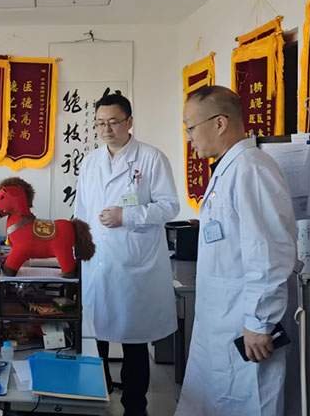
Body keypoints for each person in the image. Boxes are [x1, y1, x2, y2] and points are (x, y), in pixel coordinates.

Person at [175, 86, 297, 416]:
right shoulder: (229, 169)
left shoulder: (251, 169)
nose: (189, 137)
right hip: (222, 318)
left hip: (246, 325)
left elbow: (268, 253)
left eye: (190, 127)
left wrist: (260, 321)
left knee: (249, 399)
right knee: (216, 398)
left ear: (220, 123)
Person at [74, 93, 179, 416]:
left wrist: (127, 216)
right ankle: (98, 395)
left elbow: (169, 206)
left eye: (113, 122)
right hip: (97, 262)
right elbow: (80, 211)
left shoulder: (151, 158)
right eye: (100, 123)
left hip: (134, 264)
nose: (106, 129)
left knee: (134, 340)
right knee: (96, 339)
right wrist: (75, 251)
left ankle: (136, 405)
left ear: (129, 121)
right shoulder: (90, 162)